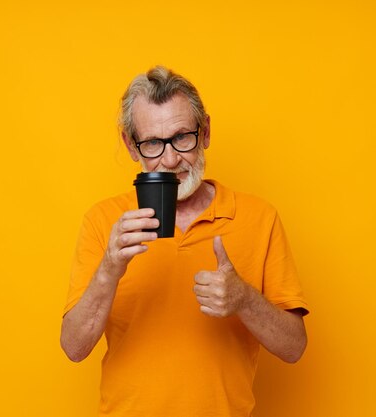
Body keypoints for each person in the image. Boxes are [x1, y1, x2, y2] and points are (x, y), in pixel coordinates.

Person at [60, 66, 309, 417]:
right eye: (152, 143)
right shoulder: (104, 222)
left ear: (205, 131)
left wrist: (244, 298)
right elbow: (74, 347)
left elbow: (294, 347)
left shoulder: (259, 218)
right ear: (131, 146)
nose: (171, 159)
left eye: (182, 137)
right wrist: (109, 269)